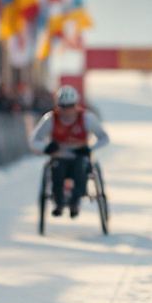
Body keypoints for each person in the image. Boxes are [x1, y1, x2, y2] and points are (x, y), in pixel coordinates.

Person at [30, 85, 110, 218]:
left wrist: (90, 148)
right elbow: (35, 140)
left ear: (76, 105)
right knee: (57, 168)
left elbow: (104, 138)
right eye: (64, 107)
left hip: (79, 156)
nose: (68, 111)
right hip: (59, 157)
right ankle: (59, 202)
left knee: (80, 167)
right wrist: (45, 148)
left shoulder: (86, 118)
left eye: (71, 106)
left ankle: (75, 201)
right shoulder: (50, 119)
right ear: (58, 106)